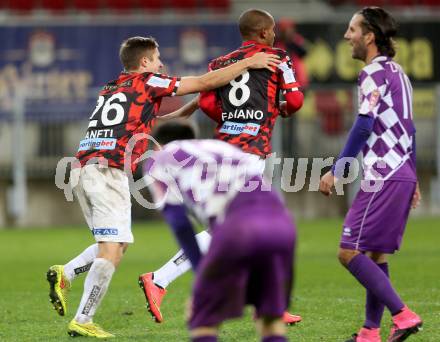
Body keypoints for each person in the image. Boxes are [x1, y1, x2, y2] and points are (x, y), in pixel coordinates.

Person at [46, 35, 279, 338]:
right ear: (144, 63)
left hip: (84, 166)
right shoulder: (148, 81)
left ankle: (66, 273)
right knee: (111, 249)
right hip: (106, 171)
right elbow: (204, 82)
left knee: (119, 242)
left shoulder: (112, 88)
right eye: (157, 59)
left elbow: (132, 120)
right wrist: (249, 62)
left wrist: (174, 118)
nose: (161, 65)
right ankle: (84, 318)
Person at [138, 8, 304, 326]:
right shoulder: (276, 57)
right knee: (251, 226)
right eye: (272, 30)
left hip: (222, 149)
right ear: (265, 32)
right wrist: (276, 108)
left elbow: (209, 105)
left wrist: (234, 119)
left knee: (238, 228)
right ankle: (159, 279)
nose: (274, 35)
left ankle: (268, 302)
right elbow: (295, 103)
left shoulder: (220, 64)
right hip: (250, 153)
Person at [319, 7, 422, 342]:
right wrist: (414, 176)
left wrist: (337, 170)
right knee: (375, 254)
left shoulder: (372, 74)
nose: (347, 36)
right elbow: (411, 129)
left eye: (352, 30)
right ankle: (369, 332)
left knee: (348, 252)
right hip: (402, 171)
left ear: (369, 36)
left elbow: (364, 125)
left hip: (384, 173)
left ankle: (403, 315)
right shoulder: (400, 74)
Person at [146, 121, 297, 342]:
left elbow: (179, 223)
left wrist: (201, 273)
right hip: (282, 225)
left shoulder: (159, 158)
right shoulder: (223, 148)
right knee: (271, 320)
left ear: (158, 144)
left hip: (236, 228)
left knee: (203, 320)